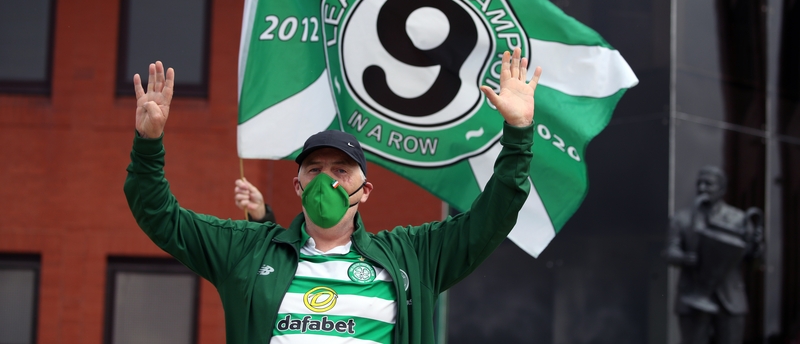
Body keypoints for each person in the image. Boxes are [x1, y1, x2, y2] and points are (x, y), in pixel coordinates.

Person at [124, 48, 541, 343]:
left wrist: (518, 134)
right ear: (298, 185)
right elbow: (160, 216)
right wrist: (148, 142)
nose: (327, 180)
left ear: (365, 190)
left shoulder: (413, 256)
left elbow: (493, 217)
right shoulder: (245, 251)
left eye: (341, 170)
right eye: (315, 170)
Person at [664, 166, 764, 344]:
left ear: (722, 189)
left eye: (708, 184)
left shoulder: (738, 219)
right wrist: (683, 258)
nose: (702, 188)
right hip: (692, 296)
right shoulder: (682, 218)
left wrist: (756, 247)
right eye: (699, 184)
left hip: (730, 299)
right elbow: (670, 251)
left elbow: (754, 262)